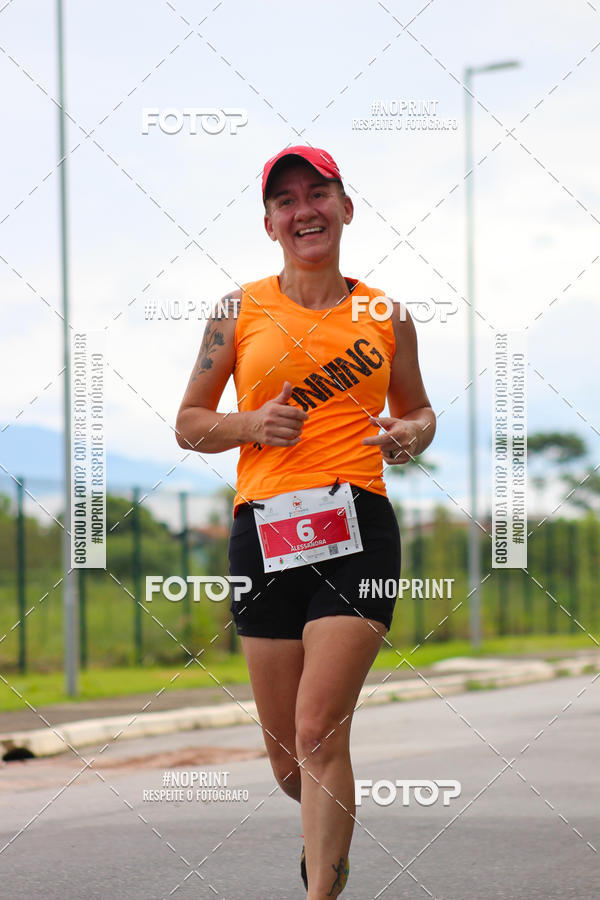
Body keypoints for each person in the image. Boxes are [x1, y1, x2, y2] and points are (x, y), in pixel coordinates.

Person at [176, 146, 436, 899]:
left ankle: (321, 890)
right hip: (264, 530)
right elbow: (189, 425)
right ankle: (332, 848)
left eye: (317, 193)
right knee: (292, 760)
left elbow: (418, 411)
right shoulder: (237, 311)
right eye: (286, 201)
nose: (304, 210)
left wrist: (411, 434)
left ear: (346, 208)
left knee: (320, 727)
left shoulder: (385, 314)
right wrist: (251, 423)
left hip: (359, 525)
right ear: (270, 225)